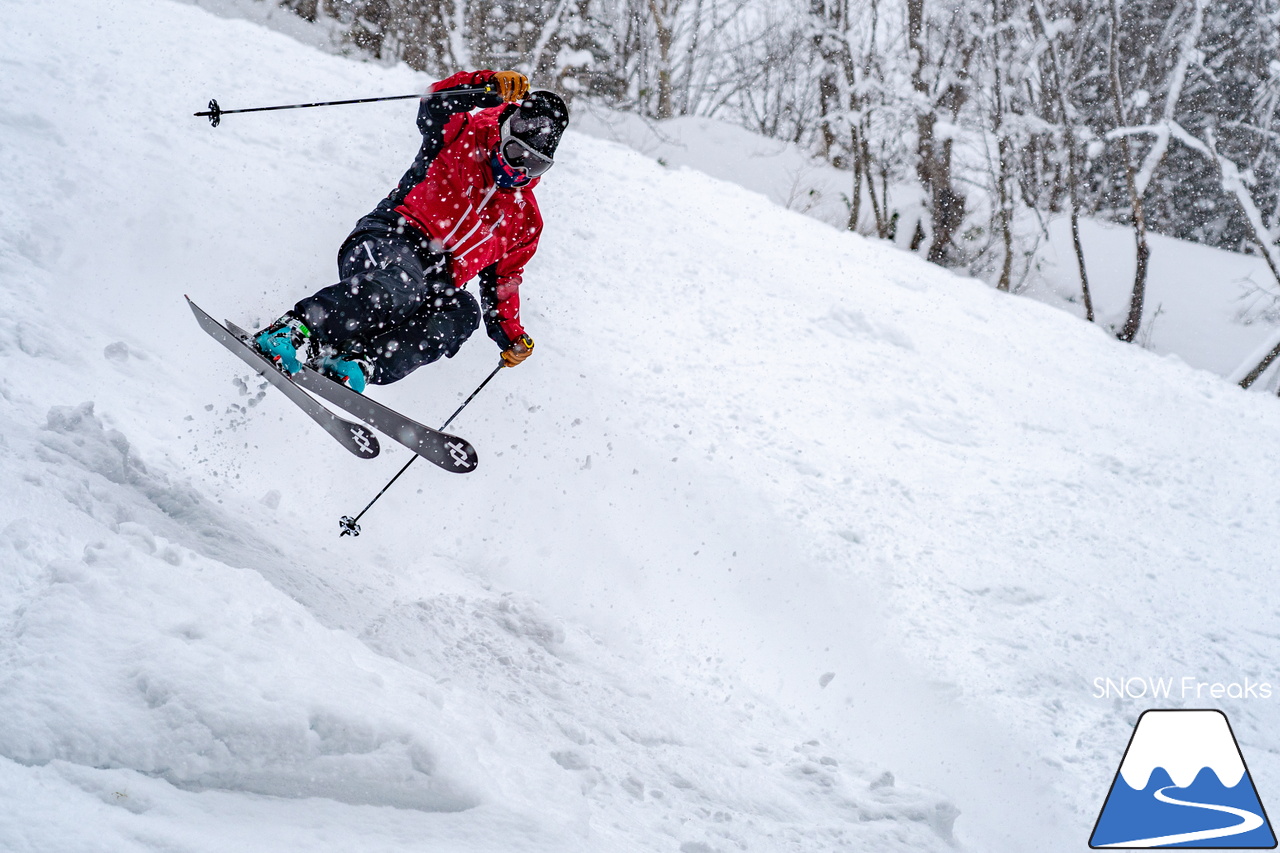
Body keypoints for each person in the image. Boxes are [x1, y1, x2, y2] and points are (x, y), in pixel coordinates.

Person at [253, 69, 569, 392]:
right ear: (504, 131)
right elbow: (435, 102)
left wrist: (512, 334)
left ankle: (359, 359)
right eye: (516, 154)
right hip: (390, 237)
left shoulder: (525, 220)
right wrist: (483, 88)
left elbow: (502, 282)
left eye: (534, 165)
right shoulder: (461, 134)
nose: (519, 171)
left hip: (435, 280)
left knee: (462, 311)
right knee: (404, 283)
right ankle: (296, 330)